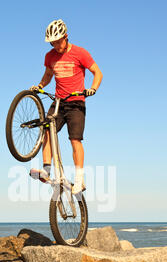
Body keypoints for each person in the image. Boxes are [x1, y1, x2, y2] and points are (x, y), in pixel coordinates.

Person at [30, 19, 103, 194]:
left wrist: (92, 89)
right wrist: (40, 86)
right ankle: (46, 170)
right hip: (59, 102)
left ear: (66, 37)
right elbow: (48, 75)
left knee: (74, 139)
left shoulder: (80, 53)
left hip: (76, 102)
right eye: (52, 43)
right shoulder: (50, 56)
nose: (55, 46)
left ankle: (79, 180)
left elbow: (97, 72)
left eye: (58, 42)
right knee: (47, 130)